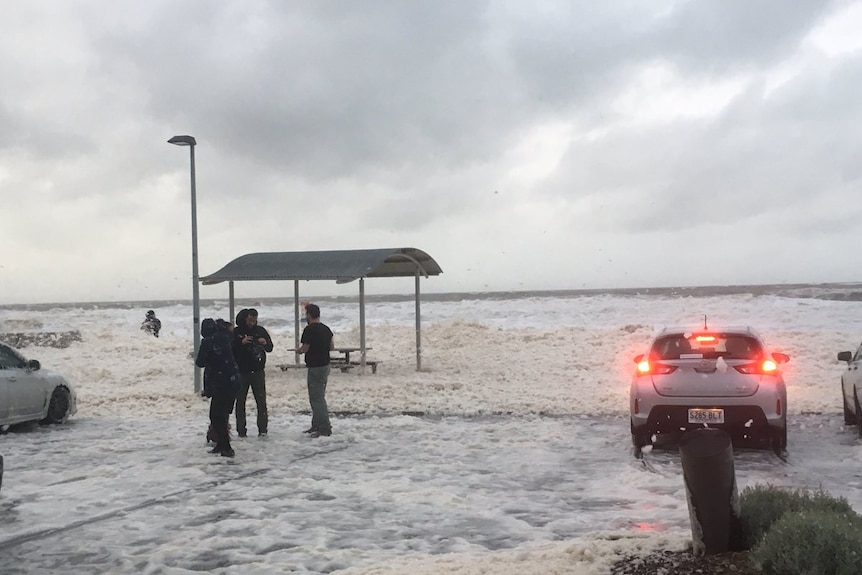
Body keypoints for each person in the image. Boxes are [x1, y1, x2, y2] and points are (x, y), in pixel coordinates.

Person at [196, 318, 240, 457]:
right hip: (233, 380)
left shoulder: (207, 342)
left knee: (216, 415)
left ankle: (226, 446)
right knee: (223, 414)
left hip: (220, 382)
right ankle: (222, 444)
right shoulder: (225, 337)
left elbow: (200, 362)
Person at [232, 308, 273, 437]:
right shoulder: (237, 332)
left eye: (254, 320)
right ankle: (241, 430)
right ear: (245, 319)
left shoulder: (260, 330)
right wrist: (241, 342)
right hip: (241, 371)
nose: (252, 323)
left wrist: (265, 343)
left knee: (261, 402)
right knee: (240, 402)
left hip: (258, 370)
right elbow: (230, 348)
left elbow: (270, 348)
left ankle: (263, 429)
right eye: (250, 320)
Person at [298, 303, 334, 437]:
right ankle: (317, 424)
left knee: (316, 398)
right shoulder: (326, 329)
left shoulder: (309, 330)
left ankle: (324, 426)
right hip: (325, 365)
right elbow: (331, 346)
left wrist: (299, 351)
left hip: (315, 366)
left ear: (309, 315)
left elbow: (305, 348)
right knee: (319, 395)